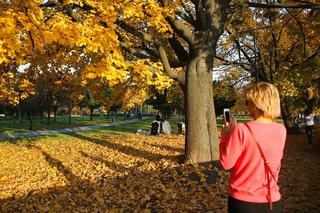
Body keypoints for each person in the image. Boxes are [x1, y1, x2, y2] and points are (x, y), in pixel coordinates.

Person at [220, 82, 286, 213]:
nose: (247, 105)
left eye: (248, 101)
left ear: (257, 105)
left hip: (244, 201)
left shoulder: (241, 130)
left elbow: (226, 164)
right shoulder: (281, 130)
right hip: (272, 201)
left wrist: (226, 136)